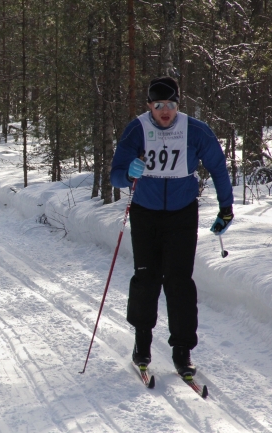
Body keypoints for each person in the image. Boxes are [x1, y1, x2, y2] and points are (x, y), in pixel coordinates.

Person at [110, 76, 234, 378]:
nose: (166, 111)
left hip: (181, 213)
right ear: (150, 105)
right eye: (159, 105)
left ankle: (182, 351)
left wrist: (226, 208)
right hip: (145, 212)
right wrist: (128, 173)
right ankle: (142, 345)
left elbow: (218, 166)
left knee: (179, 282)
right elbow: (115, 175)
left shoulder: (195, 130)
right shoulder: (137, 129)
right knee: (146, 278)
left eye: (171, 104)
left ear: (179, 104)